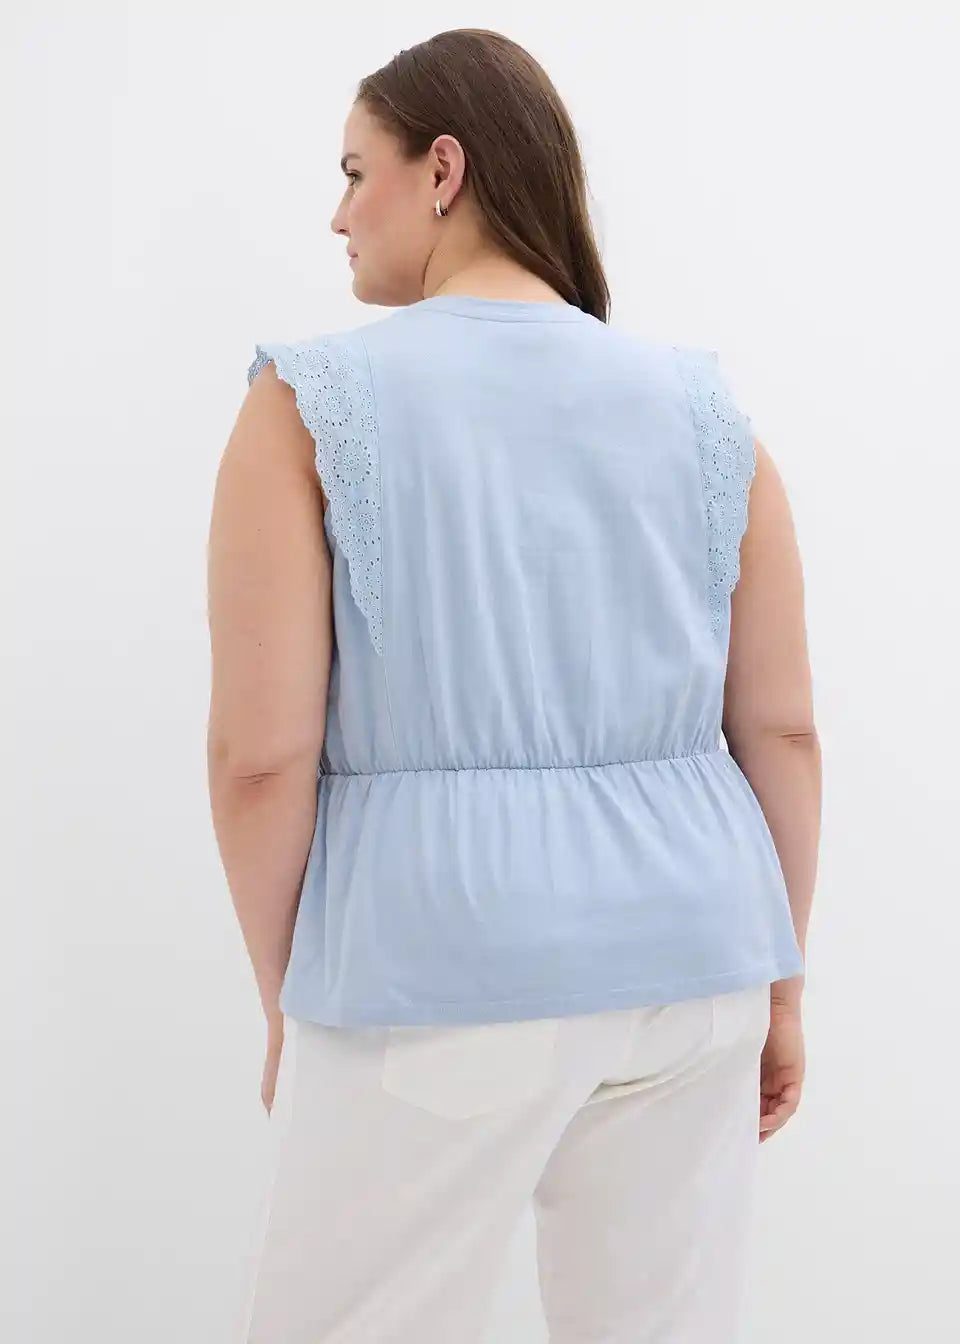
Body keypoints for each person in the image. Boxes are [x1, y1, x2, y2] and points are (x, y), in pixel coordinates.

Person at [205, 26, 821, 1344]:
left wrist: (286, 997)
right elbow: (781, 728)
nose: (337, 214)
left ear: (443, 170)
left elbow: (260, 757)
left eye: (354, 172)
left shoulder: (311, 403)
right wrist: (780, 981)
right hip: (696, 958)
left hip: (432, 957)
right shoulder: (706, 409)